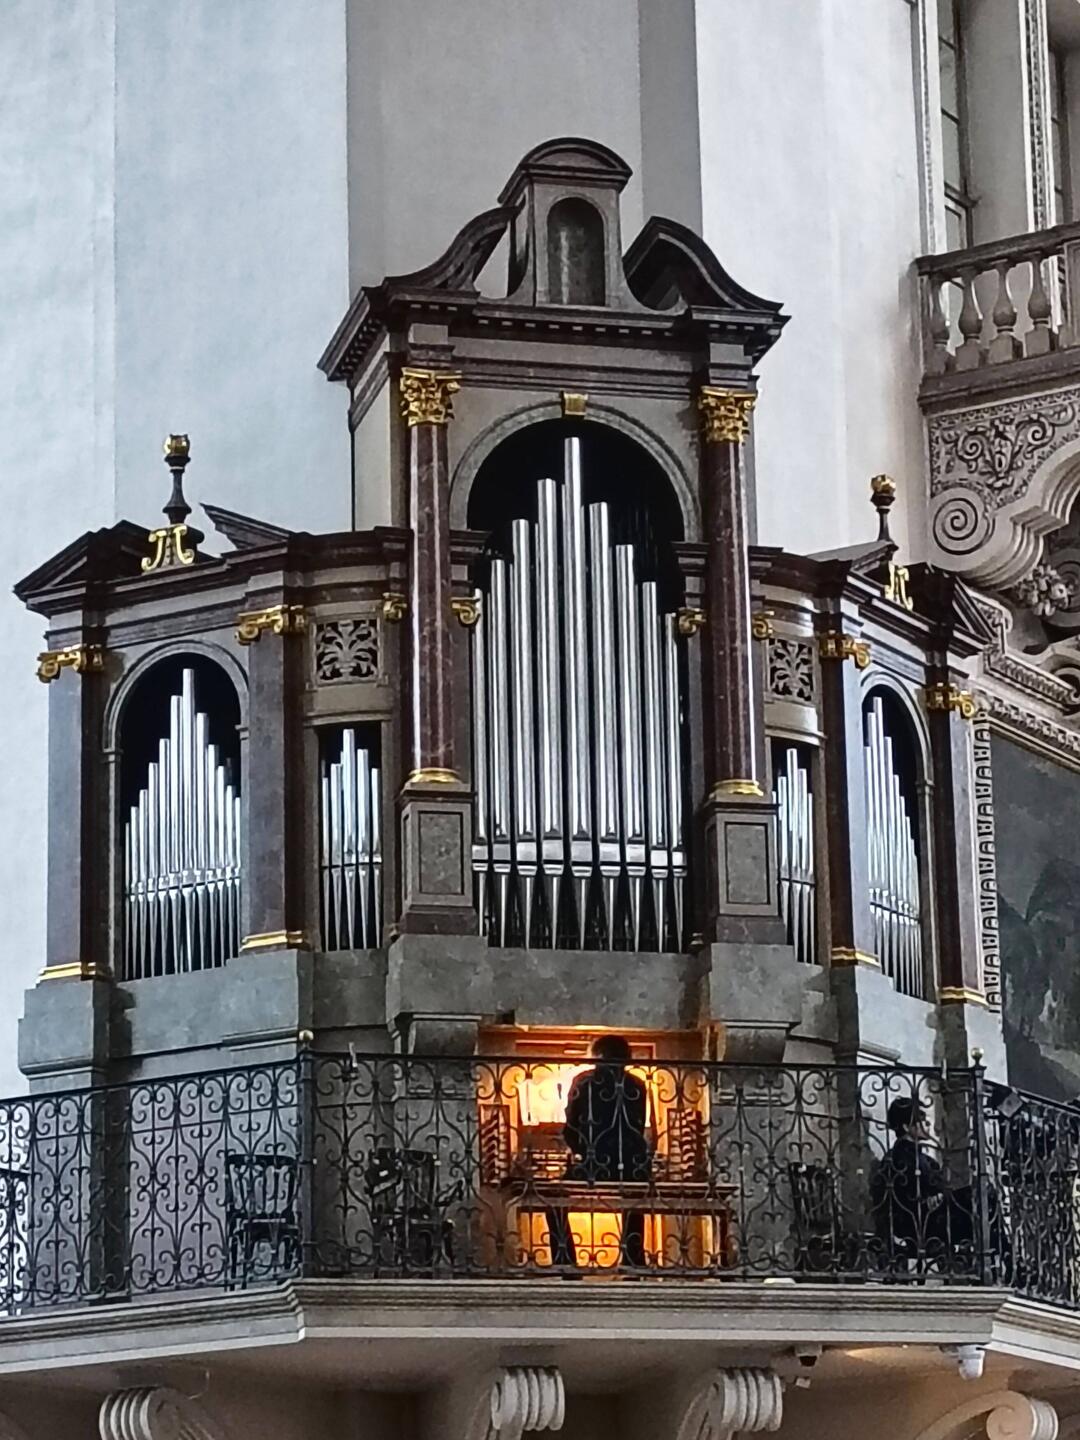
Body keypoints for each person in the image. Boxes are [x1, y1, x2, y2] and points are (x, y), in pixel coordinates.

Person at [546, 1036, 652, 1270]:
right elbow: (638, 1127)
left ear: (597, 1057)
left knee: (551, 1198)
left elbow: (571, 1128)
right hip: (633, 1167)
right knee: (635, 1196)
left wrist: (584, 1153)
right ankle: (633, 1258)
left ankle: (566, 1263)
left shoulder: (583, 1082)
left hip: (595, 1166)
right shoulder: (638, 1085)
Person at [871, 1097, 975, 1262]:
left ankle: (988, 1253)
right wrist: (932, 1196)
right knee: (975, 1196)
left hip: (930, 1217)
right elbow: (908, 1196)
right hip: (919, 1224)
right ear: (906, 1127)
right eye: (921, 1120)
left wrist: (939, 1194)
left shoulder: (920, 1157)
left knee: (979, 1195)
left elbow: (938, 1187)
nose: (927, 1124)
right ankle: (993, 1255)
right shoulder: (899, 1158)